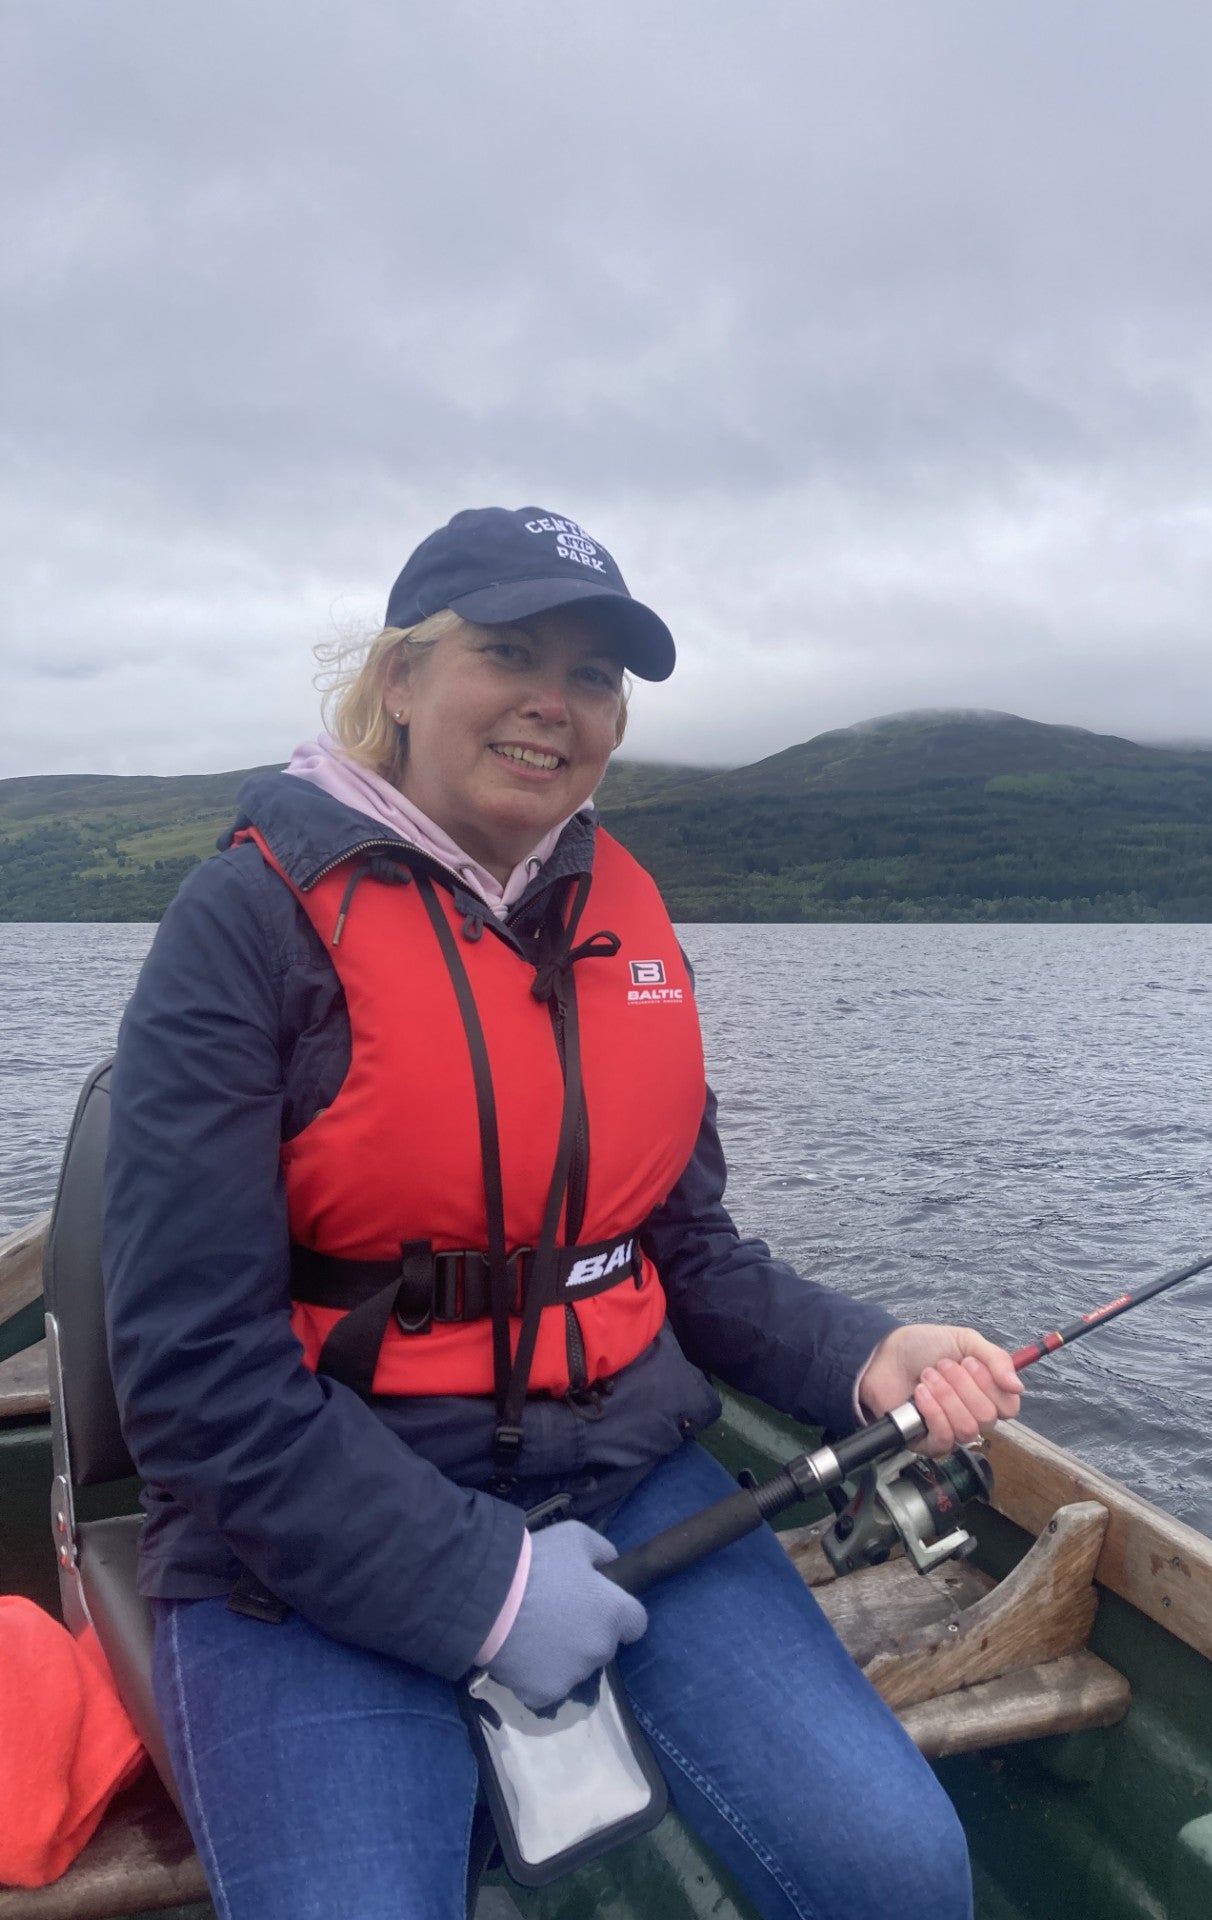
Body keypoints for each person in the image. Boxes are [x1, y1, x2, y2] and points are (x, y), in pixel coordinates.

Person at [104, 506, 1024, 1920]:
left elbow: (688, 1251)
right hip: (293, 1520)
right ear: (399, 678)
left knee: (898, 1871)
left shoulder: (626, 917)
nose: (556, 702)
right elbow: (192, 1374)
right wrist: (478, 1588)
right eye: (510, 652)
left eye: (594, 676)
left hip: (625, 1472)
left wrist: (865, 1354)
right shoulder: (244, 923)